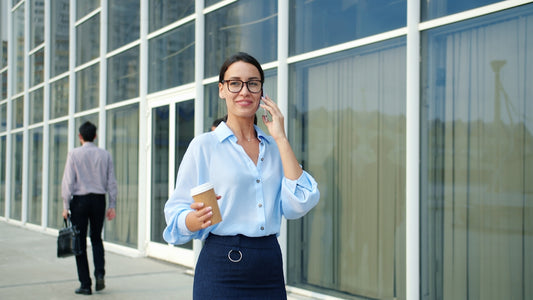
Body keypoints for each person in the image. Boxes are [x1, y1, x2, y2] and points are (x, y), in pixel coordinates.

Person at [163, 52, 320, 299]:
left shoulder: (275, 147)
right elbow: (175, 213)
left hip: (268, 264)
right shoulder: (204, 146)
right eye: (234, 83)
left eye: (253, 83)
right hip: (221, 265)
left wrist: (280, 136)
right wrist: (195, 220)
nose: (244, 91)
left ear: (261, 92)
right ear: (221, 90)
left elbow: (299, 203)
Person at [61, 121, 118, 295]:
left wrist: (65, 206)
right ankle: (100, 273)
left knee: (80, 242)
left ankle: (85, 284)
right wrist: (112, 205)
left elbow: (68, 182)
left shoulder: (74, 154)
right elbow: (112, 182)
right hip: (98, 200)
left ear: (80, 137)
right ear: (95, 136)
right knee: (96, 238)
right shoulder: (105, 155)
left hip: (79, 201)